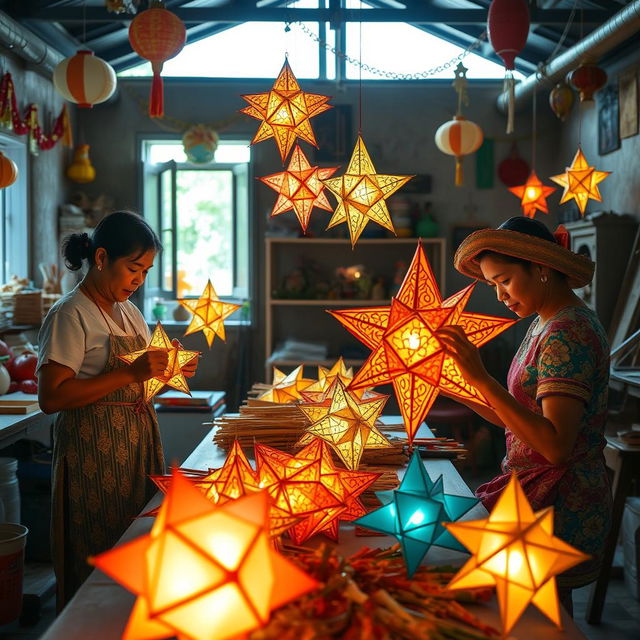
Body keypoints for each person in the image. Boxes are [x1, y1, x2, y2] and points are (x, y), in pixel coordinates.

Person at [436, 216, 612, 615]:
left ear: (543, 269)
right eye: (493, 284)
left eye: (505, 280)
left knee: (540, 619)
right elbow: (517, 420)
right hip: (532, 492)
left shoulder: (569, 332)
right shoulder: (543, 324)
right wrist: (458, 388)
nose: (499, 295)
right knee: (532, 613)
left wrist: (482, 378)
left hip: (558, 499)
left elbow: (553, 446)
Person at [37, 210, 197, 609]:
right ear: (103, 258)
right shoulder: (70, 314)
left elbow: (137, 388)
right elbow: (51, 397)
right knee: (98, 551)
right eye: (134, 268)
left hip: (136, 442)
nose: (139, 280)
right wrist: (132, 374)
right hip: (93, 450)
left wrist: (167, 371)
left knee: (134, 546)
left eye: (146, 271)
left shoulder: (129, 312)